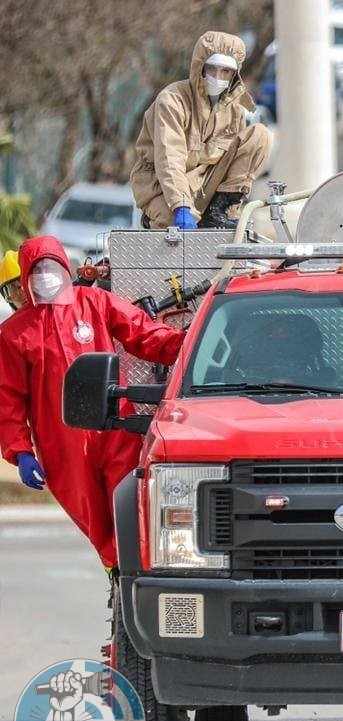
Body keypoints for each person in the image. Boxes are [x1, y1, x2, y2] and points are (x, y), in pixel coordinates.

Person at [0, 236, 185, 567]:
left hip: (114, 426)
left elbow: (144, 334)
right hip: (62, 442)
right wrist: (21, 451)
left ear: (63, 265)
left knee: (130, 505)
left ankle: (136, 568)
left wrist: (188, 345)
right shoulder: (15, 333)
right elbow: (8, 399)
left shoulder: (95, 302)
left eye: (50, 266)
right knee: (92, 516)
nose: (45, 275)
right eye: (37, 270)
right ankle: (117, 572)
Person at [130, 31, 272, 231]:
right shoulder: (172, 100)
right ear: (200, 67)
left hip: (206, 184)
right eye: (212, 68)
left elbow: (233, 162)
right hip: (161, 186)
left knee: (260, 135)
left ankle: (220, 210)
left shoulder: (235, 110)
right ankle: (156, 216)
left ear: (234, 74)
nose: (217, 77)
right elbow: (169, 159)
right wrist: (180, 205)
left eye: (225, 71)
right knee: (171, 229)